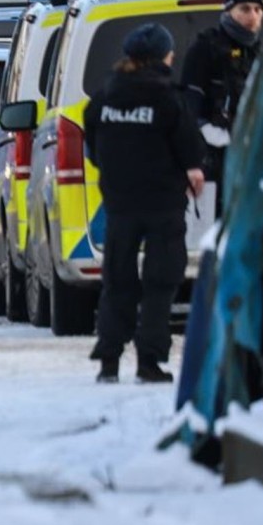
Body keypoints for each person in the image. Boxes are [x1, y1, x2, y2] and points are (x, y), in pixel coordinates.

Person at [83, 22, 206, 384]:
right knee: (160, 282)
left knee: (117, 281)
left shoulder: (104, 96)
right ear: (163, 56)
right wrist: (192, 173)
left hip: (120, 202)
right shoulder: (167, 96)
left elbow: (93, 148)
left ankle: (108, 360)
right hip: (164, 205)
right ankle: (149, 361)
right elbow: (191, 151)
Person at [179, 0, 263, 210]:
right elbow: (189, 104)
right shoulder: (206, 48)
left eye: (258, 9)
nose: (253, 16)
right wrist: (208, 133)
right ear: (229, 11)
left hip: (251, 154)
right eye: (245, 9)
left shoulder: (261, 51)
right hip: (211, 158)